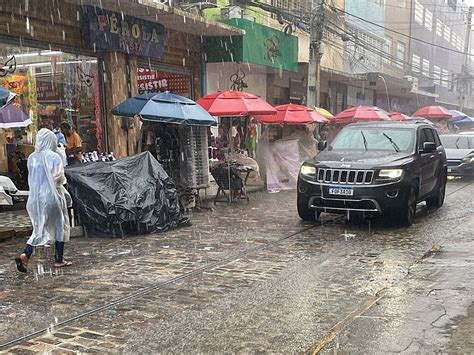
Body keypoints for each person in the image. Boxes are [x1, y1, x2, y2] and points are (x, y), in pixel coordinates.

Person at [14, 129, 71, 273]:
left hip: (35, 198)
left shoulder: (32, 157)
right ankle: (58, 259)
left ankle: (26, 254)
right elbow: (59, 178)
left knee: (39, 227)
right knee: (60, 225)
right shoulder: (54, 156)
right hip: (51, 196)